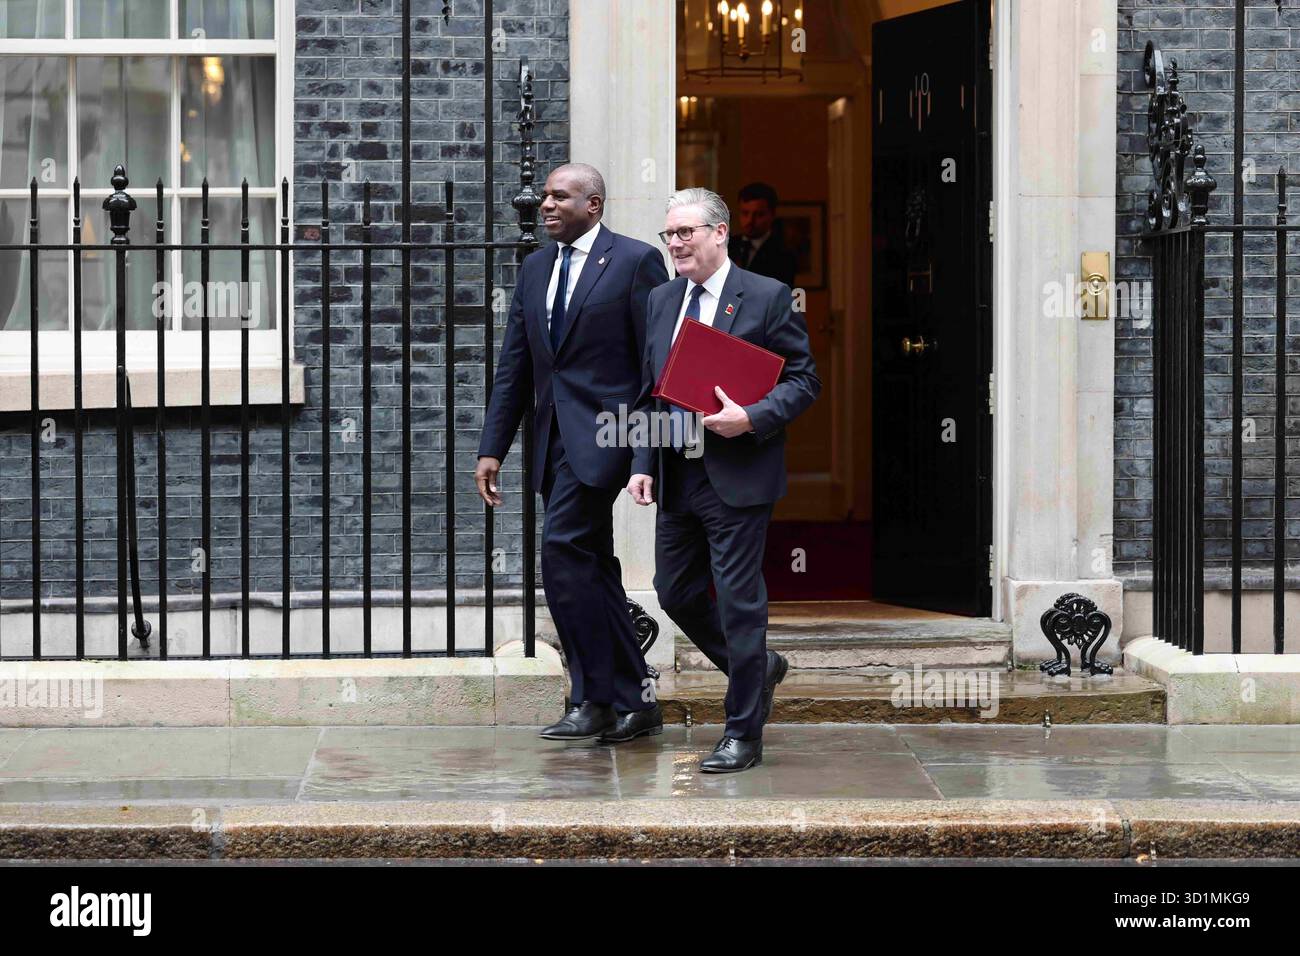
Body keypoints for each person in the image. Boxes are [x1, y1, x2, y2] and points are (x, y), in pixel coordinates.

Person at [627, 187, 821, 773]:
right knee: (675, 591)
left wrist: (751, 418)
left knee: (739, 601)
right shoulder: (661, 300)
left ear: (720, 234)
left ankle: (742, 731)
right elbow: (648, 390)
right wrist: (641, 463)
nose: (676, 243)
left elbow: (804, 381)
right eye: (670, 234)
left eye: (686, 232)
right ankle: (758, 668)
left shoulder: (766, 297)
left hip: (738, 472)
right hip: (677, 471)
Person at [476, 163, 670, 743]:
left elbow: (652, 362)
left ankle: (590, 697)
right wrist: (493, 448)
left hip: (609, 433)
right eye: (544, 196)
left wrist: (645, 450)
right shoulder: (535, 268)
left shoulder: (636, 261)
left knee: (562, 552)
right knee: (590, 565)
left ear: (595, 204)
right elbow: (517, 364)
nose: (546, 205)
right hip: (552, 437)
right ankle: (631, 696)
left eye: (560, 196)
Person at [728, 181, 798, 288]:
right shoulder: (728, 246)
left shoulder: (783, 254)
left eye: (759, 214)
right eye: (745, 213)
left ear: (772, 215)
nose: (750, 220)